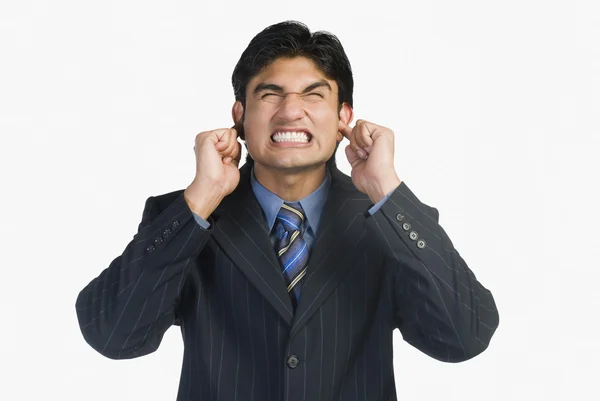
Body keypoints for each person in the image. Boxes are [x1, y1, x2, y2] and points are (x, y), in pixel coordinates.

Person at [75, 20, 499, 401]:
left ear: (343, 118)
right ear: (239, 115)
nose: (291, 111)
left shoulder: (390, 220)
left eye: (314, 95)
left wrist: (387, 190)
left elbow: (464, 338)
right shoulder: (189, 215)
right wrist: (200, 198)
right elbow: (112, 335)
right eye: (270, 93)